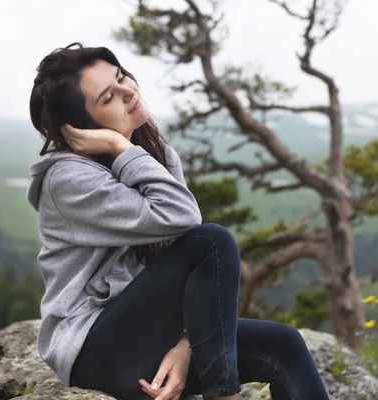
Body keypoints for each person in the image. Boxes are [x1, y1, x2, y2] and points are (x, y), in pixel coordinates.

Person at [27, 42, 330, 400]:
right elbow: (183, 218)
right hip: (94, 350)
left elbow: (182, 265)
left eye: (123, 77)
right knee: (211, 242)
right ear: (81, 129)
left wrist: (185, 348)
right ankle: (224, 395)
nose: (129, 92)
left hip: (148, 336)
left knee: (284, 344)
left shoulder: (153, 154)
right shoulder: (68, 179)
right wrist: (122, 148)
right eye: (108, 97)